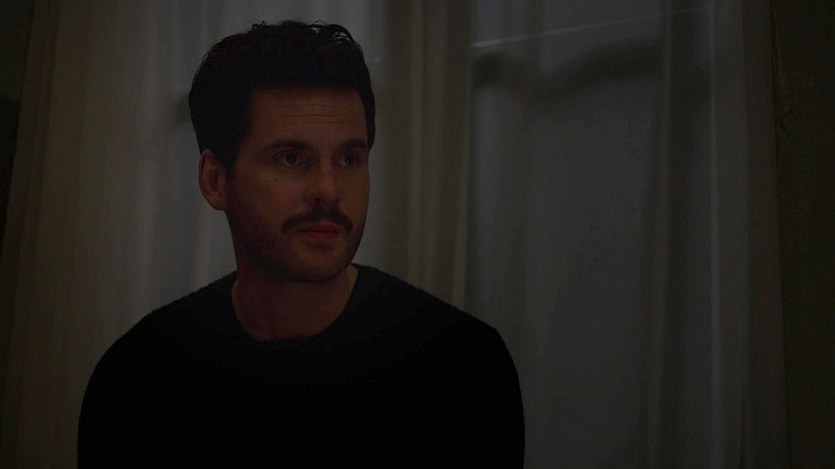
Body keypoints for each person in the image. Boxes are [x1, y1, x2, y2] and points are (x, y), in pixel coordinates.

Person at [78, 20, 524, 467]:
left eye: (349, 159)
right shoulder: (138, 377)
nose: (328, 190)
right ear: (215, 180)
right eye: (291, 158)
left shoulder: (462, 368)